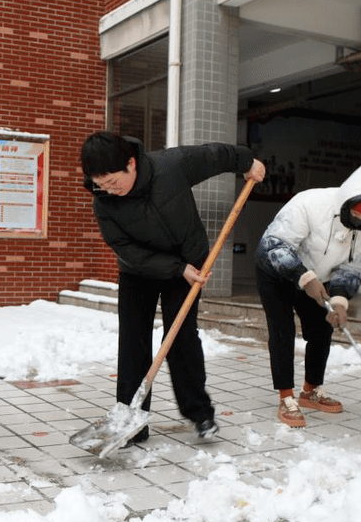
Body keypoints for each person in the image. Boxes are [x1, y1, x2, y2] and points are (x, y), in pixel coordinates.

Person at [80, 131, 266, 445]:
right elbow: (124, 247)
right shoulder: (104, 202)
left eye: (113, 181)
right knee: (133, 341)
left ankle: (200, 413)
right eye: (101, 184)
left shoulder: (171, 166)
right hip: (139, 269)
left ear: (131, 163)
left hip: (188, 263)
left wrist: (247, 161)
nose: (108, 190)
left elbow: (214, 155)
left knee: (181, 337)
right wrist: (174, 269)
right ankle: (132, 418)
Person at [255, 163, 361, 428]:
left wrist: (340, 302)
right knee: (282, 331)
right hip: (277, 272)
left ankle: (310, 390)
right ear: (351, 199)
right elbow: (273, 245)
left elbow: (353, 265)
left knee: (322, 329)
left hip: (318, 277)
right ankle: (286, 397)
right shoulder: (310, 204)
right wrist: (305, 277)